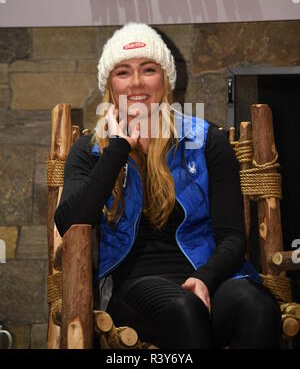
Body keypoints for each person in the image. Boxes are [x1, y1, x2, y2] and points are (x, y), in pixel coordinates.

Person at [54, 22, 281, 349]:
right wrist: (118, 148)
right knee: (183, 309)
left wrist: (205, 278)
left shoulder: (205, 141)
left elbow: (232, 236)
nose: (136, 82)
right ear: (109, 85)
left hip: (211, 277)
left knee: (257, 307)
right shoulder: (91, 149)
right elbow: (70, 221)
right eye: (123, 72)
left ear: (165, 80)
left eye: (148, 69)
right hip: (134, 285)